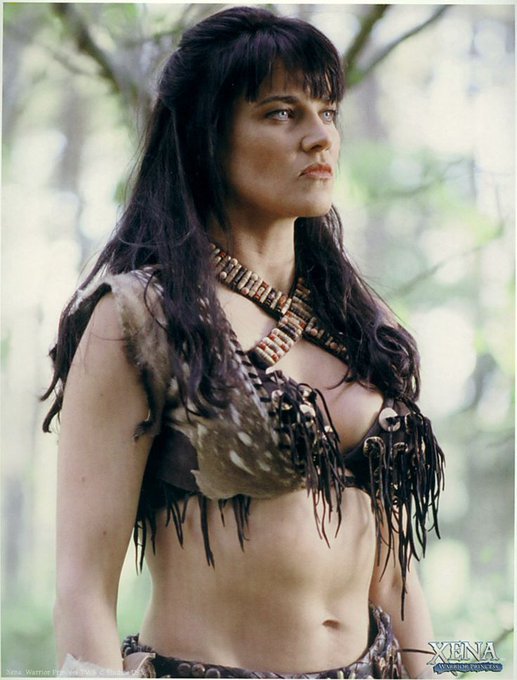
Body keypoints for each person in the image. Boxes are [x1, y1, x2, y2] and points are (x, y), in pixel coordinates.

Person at [43, 6, 445, 679]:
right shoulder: (139, 317)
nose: (320, 136)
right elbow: (83, 586)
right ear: (207, 135)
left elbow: (397, 575)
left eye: (328, 112)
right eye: (282, 113)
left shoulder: (362, 322)